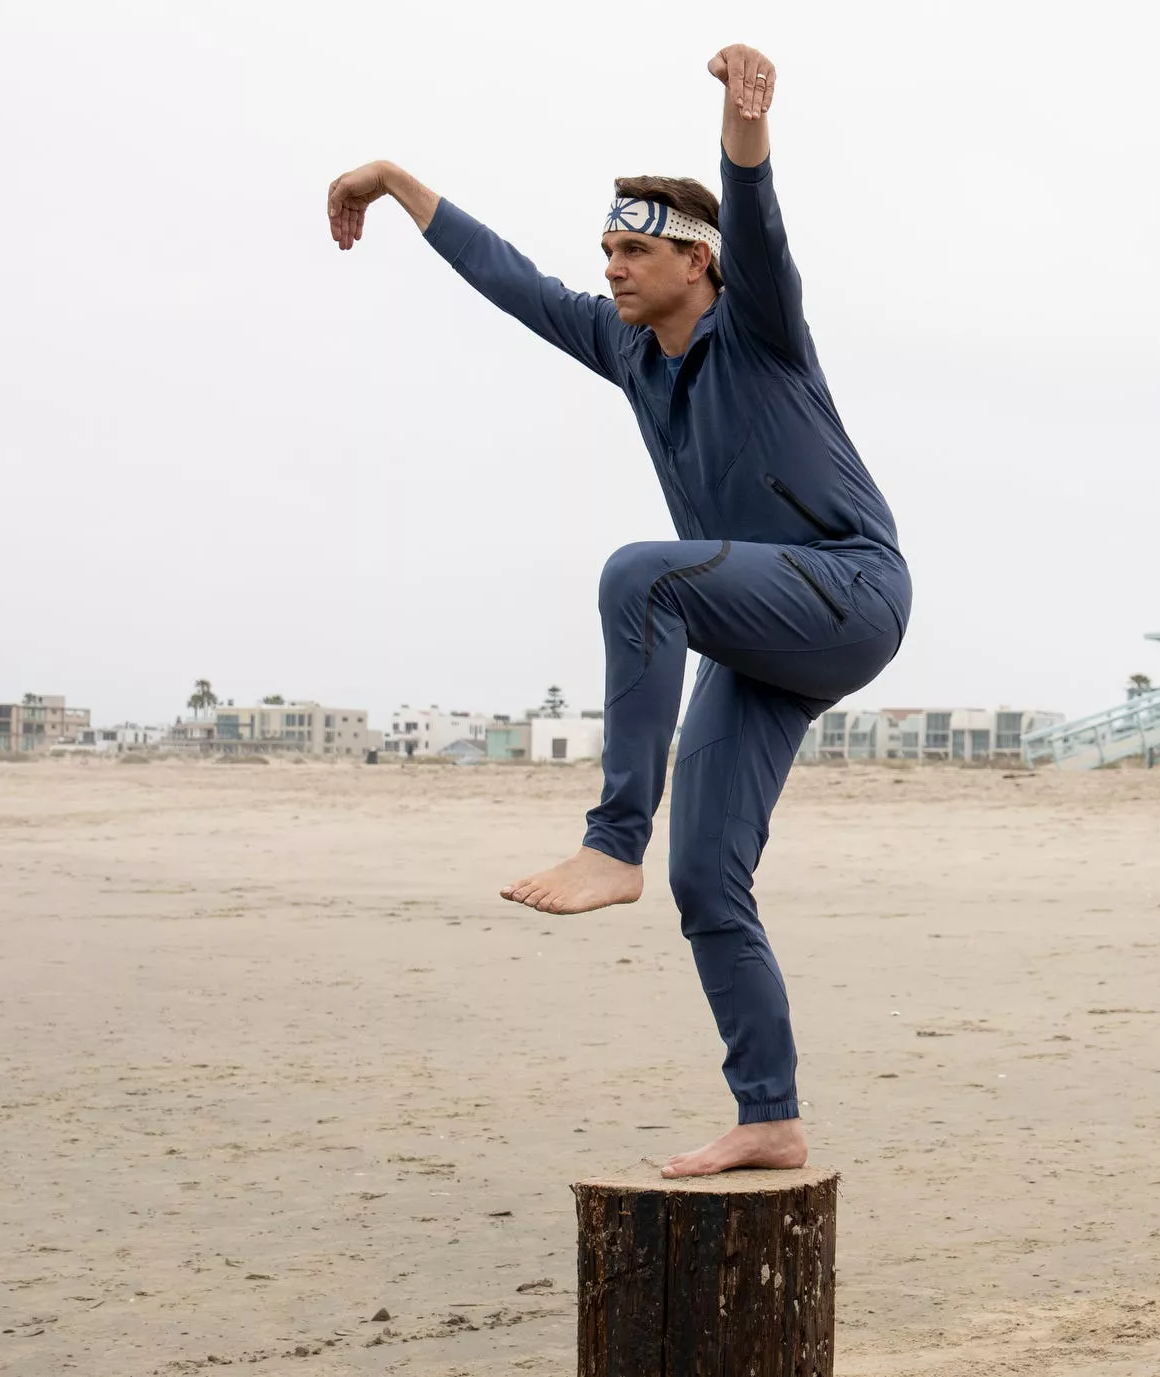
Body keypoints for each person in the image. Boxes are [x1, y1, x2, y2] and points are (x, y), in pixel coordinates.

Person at [323, 43, 907, 1176]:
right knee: (711, 879)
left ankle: (611, 842)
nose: (612, 270)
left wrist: (746, 126)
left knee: (642, 570)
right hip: (764, 635)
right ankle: (770, 1114)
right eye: (606, 251)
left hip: (851, 589)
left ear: (698, 261)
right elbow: (512, 281)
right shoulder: (629, 351)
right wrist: (399, 183)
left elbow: (759, 216)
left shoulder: (760, 329)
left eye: (635, 250)